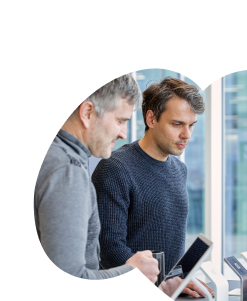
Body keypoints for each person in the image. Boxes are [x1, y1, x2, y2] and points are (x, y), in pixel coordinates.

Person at [92, 77, 214, 298]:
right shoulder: (115, 168)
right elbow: (110, 249)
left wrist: (175, 281)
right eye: (177, 124)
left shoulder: (179, 169)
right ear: (151, 118)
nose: (187, 134)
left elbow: (171, 240)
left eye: (191, 125)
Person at [33, 74, 160, 282]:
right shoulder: (68, 171)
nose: (123, 134)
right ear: (87, 113)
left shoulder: (54, 156)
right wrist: (133, 271)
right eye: (120, 121)